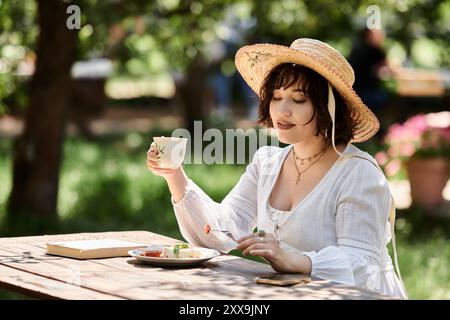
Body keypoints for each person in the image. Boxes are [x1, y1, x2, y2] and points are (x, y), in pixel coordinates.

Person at [147, 38, 407, 299]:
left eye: (299, 100)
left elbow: (362, 264)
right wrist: (174, 175)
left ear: (329, 109)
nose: (282, 111)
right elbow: (221, 232)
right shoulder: (267, 163)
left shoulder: (358, 173)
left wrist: (292, 259)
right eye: (277, 97)